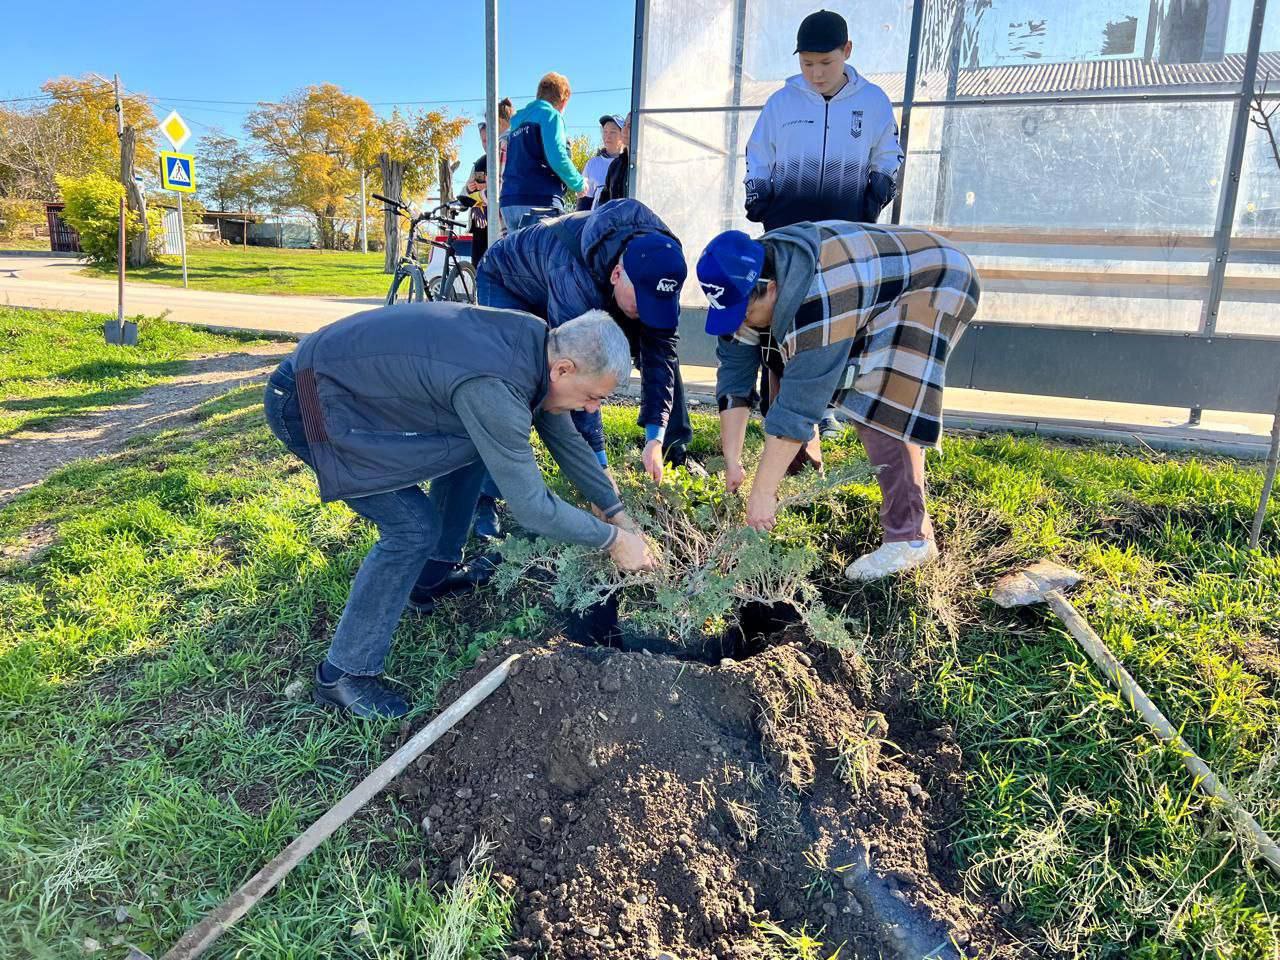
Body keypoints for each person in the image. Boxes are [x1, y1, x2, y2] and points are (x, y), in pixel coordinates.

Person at [263, 303, 654, 719]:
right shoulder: (495, 385)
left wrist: (617, 512)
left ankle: (428, 578)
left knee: (476, 446)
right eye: (594, 397)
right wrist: (613, 541)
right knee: (411, 529)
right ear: (563, 369)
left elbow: (564, 438)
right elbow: (532, 508)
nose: (593, 409)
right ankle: (342, 674)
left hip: (345, 384)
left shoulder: (536, 345)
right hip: (311, 402)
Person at [696, 224, 980, 580]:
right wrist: (733, 461)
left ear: (769, 289)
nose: (738, 324)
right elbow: (735, 377)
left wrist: (761, 496)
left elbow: (800, 405)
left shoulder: (818, 299)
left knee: (882, 398)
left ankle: (911, 539)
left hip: (935, 280)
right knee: (783, 360)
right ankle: (797, 477)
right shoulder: (750, 273)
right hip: (875, 279)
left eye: (744, 314)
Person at [743, 9, 903, 438]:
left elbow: (888, 154)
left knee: (835, 315)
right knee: (780, 312)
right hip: (786, 228)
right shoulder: (782, 102)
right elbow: (758, 153)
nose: (815, 73)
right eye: (807, 63)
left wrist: (879, 189)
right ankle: (774, 400)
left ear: (847, 52)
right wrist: (757, 192)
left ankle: (826, 406)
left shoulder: (873, 102)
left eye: (826, 63)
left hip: (844, 232)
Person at [476, 198, 693, 485]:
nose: (648, 313)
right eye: (644, 302)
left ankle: (670, 450)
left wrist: (655, 436)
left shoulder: (662, 266)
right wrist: (597, 466)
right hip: (509, 279)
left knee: (660, 346)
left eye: (658, 303)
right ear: (617, 275)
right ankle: (489, 494)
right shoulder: (574, 275)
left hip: (580, 280)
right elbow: (579, 373)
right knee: (517, 379)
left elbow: (661, 353)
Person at [500, 72, 585, 231]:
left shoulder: (517, 123)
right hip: (539, 200)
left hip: (510, 201)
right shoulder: (550, 115)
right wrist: (579, 184)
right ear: (564, 100)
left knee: (519, 254)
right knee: (544, 253)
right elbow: (557, 157)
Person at [464, 99, 514, 264]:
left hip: (501, 222)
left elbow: (501, 187)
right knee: (480, 266)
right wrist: (471, 189)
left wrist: (487, 187)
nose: (487, 143)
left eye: (488, 139)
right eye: (483, 141)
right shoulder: (480, 163)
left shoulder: (506, 145)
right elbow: (466, 195)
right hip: (482, 225)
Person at [578, 114, 625, 210]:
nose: (607, 136)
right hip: (597, 222)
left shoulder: (629, 164)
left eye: (613, 132)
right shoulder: (592, 164)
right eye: (605, 132)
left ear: (623, 135)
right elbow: (584, 201)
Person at [595, 112, 631, 206]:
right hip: (614, 220)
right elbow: (604, 201)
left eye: (630, 126)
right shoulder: (615, 165)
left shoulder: (646, 164)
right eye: (624, 125)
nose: (625, 130)